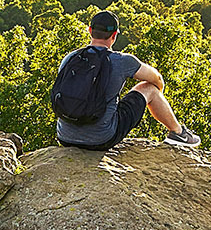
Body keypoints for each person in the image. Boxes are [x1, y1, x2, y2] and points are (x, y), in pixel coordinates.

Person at [54, 10, 201, 150]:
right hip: (102, 139)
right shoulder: (121, 61)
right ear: (114, 35)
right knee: (149, 88)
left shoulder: (70, 58)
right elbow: (157, 78)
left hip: (65, 137)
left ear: (90, 30)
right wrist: (158, 94)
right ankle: (178, 133)